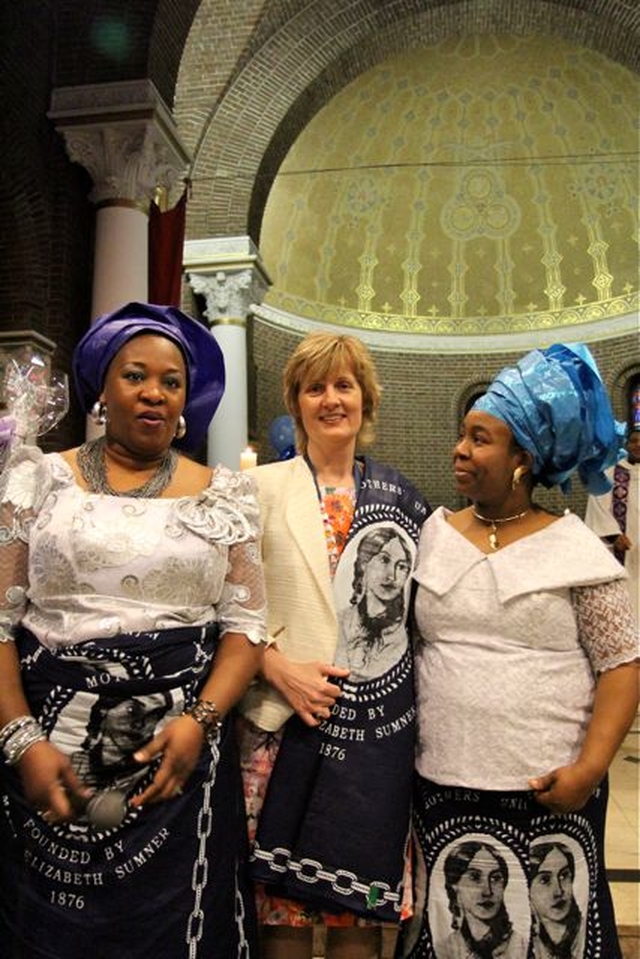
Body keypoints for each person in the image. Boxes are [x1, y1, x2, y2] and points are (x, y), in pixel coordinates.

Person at [0, 302, 266, 958]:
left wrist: (198, 722)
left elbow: (246, 628)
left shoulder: (226, 495)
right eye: (135, 375)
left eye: (171, 381)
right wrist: (22, 741)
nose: (154, 392)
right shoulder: (37, 479)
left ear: (185, 399)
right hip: (48, 750)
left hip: (179, 764)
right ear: (101, 389)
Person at [398, 343, 639, 959]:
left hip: (546, 786)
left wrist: (587, 770)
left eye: (479, 439)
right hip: (441, 782)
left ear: (521, 460)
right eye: (462, 435)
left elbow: (622, 666)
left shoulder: (575, 548)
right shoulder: (433, 532)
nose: (459, 449)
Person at [236, 331, 431, 959]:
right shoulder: (256, 490)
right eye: (315, 386)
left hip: (372, 743)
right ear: (296, 402)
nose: (330, 399)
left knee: (358, 925)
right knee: (281, 926)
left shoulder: (404, 501)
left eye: (343, 385)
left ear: (366, 399)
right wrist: (275, 666)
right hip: (279, 729)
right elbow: (225, 607)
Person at [335, 527, 413, 682]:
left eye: (402, 566)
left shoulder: (402, 633)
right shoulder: (340, 622)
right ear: (364, 564)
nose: (392, 576)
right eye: (384, 560)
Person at [435, 840, 527, 959]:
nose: (487, 891)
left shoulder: (522, 947)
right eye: (474, 877)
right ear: (455, 886)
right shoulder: (444, 950)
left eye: (495, 878)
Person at [585, 424, 639, 624]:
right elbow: (598, 503)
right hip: (625, 550)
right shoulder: (610, 474)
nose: (638, 445)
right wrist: (614, 536)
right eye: (633, 441)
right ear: (626, 444)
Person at [530, 841, 585, 959]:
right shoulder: (521, 943)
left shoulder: (586, 932)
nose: (558, 891)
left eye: (564, 875)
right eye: (545, 880)